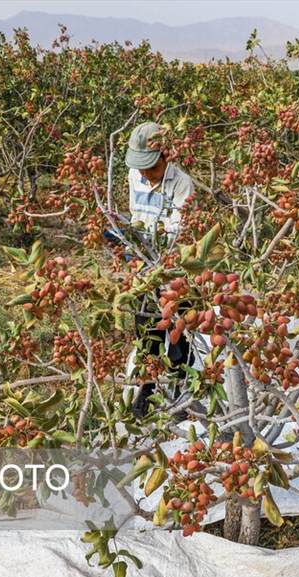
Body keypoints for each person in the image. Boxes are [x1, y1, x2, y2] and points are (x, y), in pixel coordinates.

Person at [118, 122, 196, 418]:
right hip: (143, 269)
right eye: (141, 166)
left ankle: (180, 388)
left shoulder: (181, 184)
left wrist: (150, 241)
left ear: (167, 156)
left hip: (174, 271)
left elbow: (179, 230)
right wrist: (126, 238)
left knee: (178, 333)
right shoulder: (134, 175)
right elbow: (135, 214)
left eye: (151, 166)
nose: (145, 173)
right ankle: (147, 389)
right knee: (147, 331)